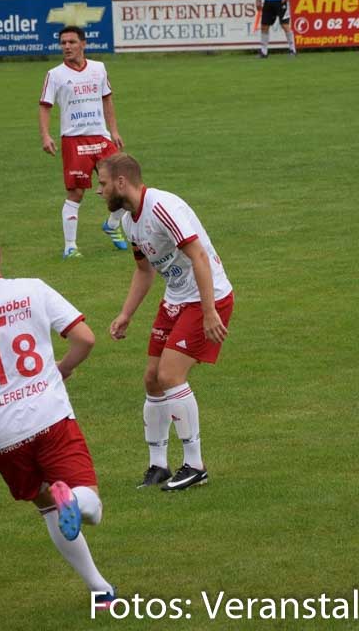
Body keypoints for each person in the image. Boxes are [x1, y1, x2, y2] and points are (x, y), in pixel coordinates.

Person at [0, 226, 116, 606]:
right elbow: (85, 338)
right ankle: (74, 500)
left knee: (46, 505)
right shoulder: (33, 289)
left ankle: (100, 589)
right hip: (49, 416)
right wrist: (63, 368)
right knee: (91, 508)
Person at [96, 153, 234, 491]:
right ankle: (158, 465)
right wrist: (126, 314)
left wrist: (209, 311)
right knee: (152, 379)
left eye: (102, 183)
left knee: (170, 375)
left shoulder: (162, 207)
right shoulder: (129, 221)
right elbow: (144, 270)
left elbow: (199, 256)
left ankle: (195, 465)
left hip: (206, 296)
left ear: (121, 182)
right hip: (176, 298)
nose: (98, 191)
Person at [39, 25, 127, 259]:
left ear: (83, 44)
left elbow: (107, 100)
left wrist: (114, 131)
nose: (67, 47)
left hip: (100, 137)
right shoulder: (55, 75)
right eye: (63, 43)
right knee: (76, 193)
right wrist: (45, 135)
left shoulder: (99, 68)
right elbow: (45, 106)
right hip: (74, 140)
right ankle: (70, 247)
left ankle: (112, 225)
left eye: (72, 42)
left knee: (123, 184)